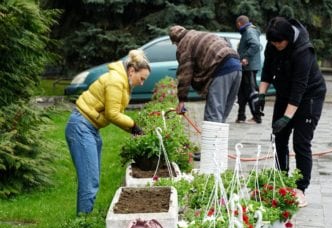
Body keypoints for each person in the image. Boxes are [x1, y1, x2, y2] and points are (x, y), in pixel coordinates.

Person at [65, 49, 151, 215]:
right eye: (141, 79)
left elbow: (115, 113)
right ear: (132, 71)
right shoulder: (116, 81)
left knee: (92, 179)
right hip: (81, 127)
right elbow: (112, 114)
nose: (141, 83)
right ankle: (82, 222)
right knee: (89, 181)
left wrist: (133, 130)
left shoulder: (121, 81)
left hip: (90, 128)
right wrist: (134, 125)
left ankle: (84, 216)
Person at [256, 17, 326, 207]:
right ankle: (282, 180)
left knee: (301, 142)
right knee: (278, 136)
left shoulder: (304, 51)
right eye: (273, 42)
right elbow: (267, 70)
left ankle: (300, 189)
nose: (276, 45)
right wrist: (260, 95)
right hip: (285, 94)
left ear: (288, 38)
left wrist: (287, 117)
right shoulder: (273, 45)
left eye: (279, 42)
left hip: (309, 95)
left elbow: (299, 87)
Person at [169, 25, 242, 123]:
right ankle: (219, 137)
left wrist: (181, 100)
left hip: (221, 70)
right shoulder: (199, 33)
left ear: (175, 41)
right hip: (237, 66)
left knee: (213, 116)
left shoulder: (184, 44)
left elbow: (185, 74)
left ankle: (212, 138)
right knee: (223, 113)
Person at [235, 15, 262, 124]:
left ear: (239, 24)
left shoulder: (249, 31)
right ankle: (241, 116)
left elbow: (255, 45)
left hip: (249, 68)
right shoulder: (247, 31)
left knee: (252, 92)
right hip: (246, 68)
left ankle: (257, 117)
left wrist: (246, 57)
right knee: (242, 92)